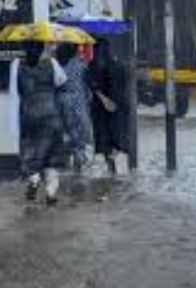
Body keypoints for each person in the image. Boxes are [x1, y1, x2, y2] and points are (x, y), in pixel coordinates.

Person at [8, 42, 68, 204]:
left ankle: (34, 180)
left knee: (30, 152)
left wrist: (13, 123)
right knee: (52, 156)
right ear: (42, 48)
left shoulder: (16, 65)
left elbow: (14, 92)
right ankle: (50, 192)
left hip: (29, 114)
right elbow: (62, 81)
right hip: (51, 114)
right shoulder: (52, 63)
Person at [88, 38, 129, 174]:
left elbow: (92, 85)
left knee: (105, 140)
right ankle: (117, 169)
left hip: (101, 109)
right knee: (117, 138)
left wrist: (104, 100)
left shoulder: (93, 66)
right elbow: (123, 86)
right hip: (116, 107)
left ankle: (112, 169)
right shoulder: (118, 64)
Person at [56, 43, 93, 173]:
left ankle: (69, 164)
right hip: (78, 101)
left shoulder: (58, 65)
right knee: (80, 133)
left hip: (62, 102)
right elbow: (88, 86)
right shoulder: (81, 65)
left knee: (68, 132)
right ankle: (79, 165)